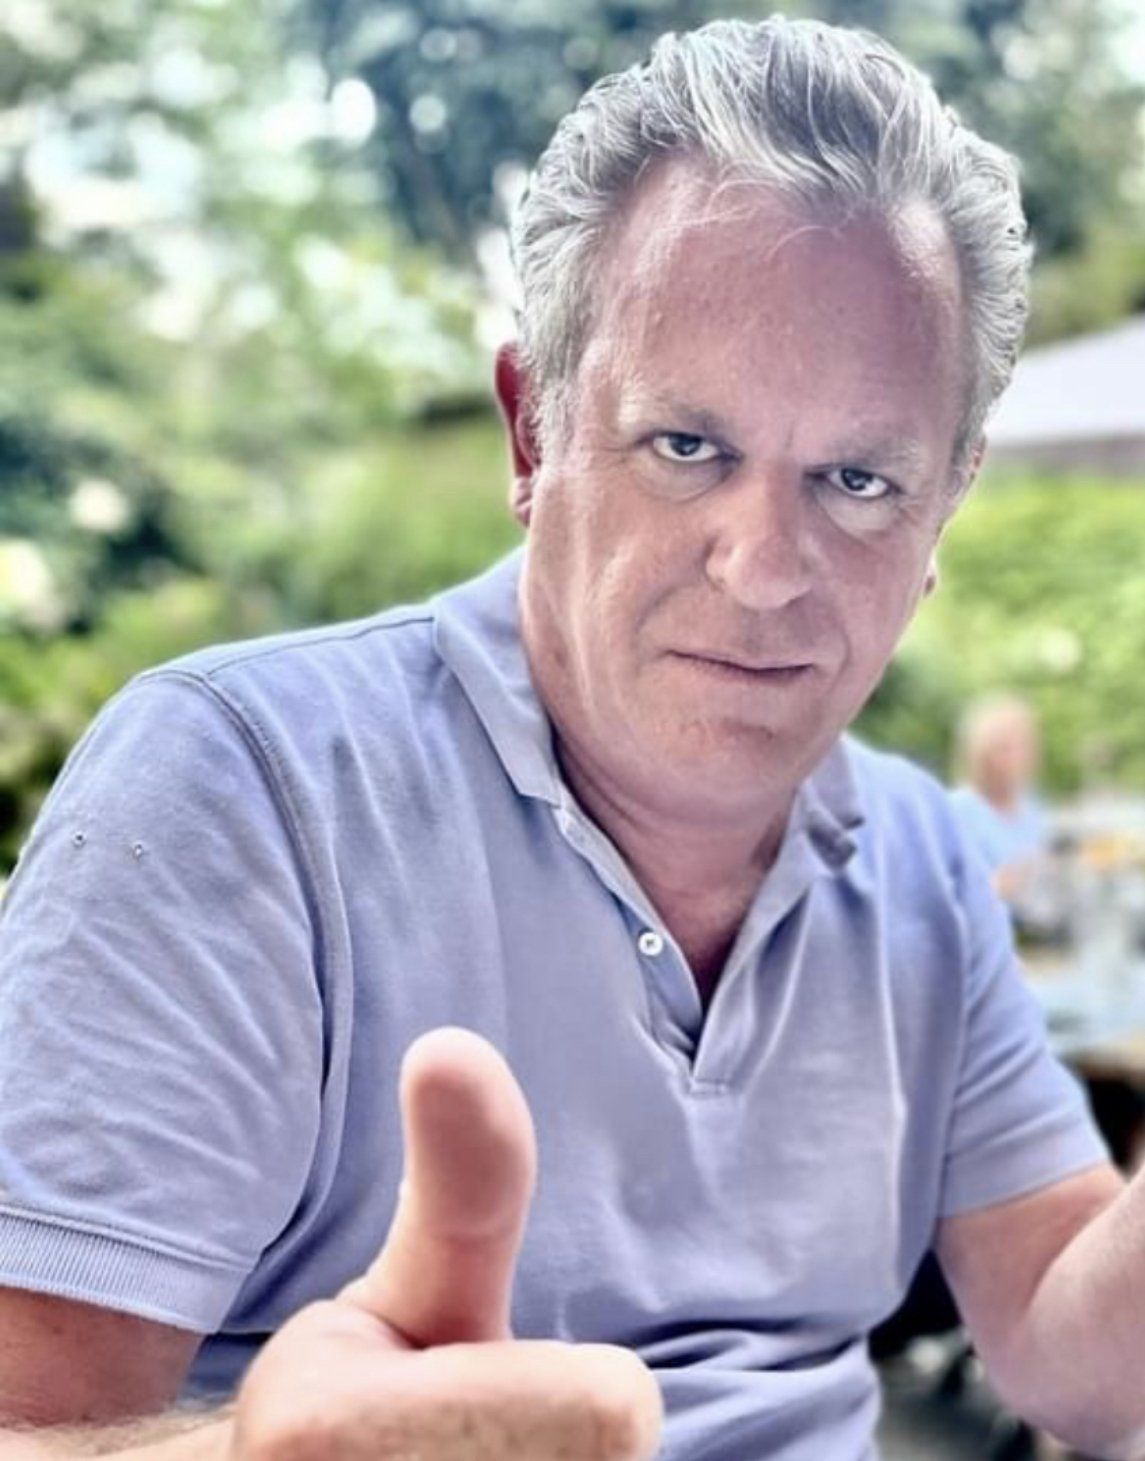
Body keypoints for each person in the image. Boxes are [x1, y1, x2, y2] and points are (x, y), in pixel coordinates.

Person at [0, 15, 1139, 1461]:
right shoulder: (241, 788)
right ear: (532, 435)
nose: (763, 567)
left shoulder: (913, 850)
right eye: (686, 447)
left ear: (944, 511)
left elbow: (1078, 1368)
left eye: (859, 480)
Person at [949, 693, 1050, 907]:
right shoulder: (956, 810)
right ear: (980, 756)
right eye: (1004, 749)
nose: (1017, 758)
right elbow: (943, 895)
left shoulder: (1032, 807)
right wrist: (996, 886)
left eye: (1024, 746)